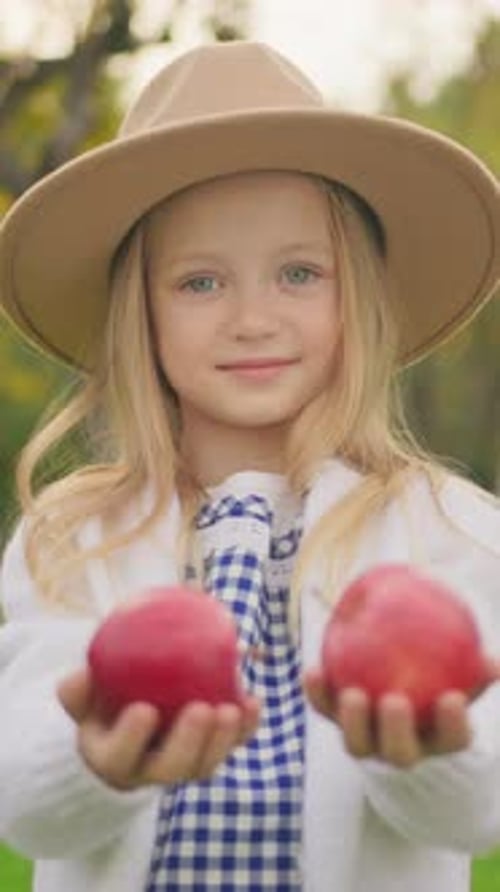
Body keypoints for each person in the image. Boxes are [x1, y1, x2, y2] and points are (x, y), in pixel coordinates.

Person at [0, 39, 499, 892]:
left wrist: (425, 756)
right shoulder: (74, 535)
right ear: (141, 314)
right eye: (200, 283)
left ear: (357, 302)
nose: (252, 319)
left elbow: (481, 806)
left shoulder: (447, 525)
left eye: (299, 274)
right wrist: (94, 760)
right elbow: (21, 799)